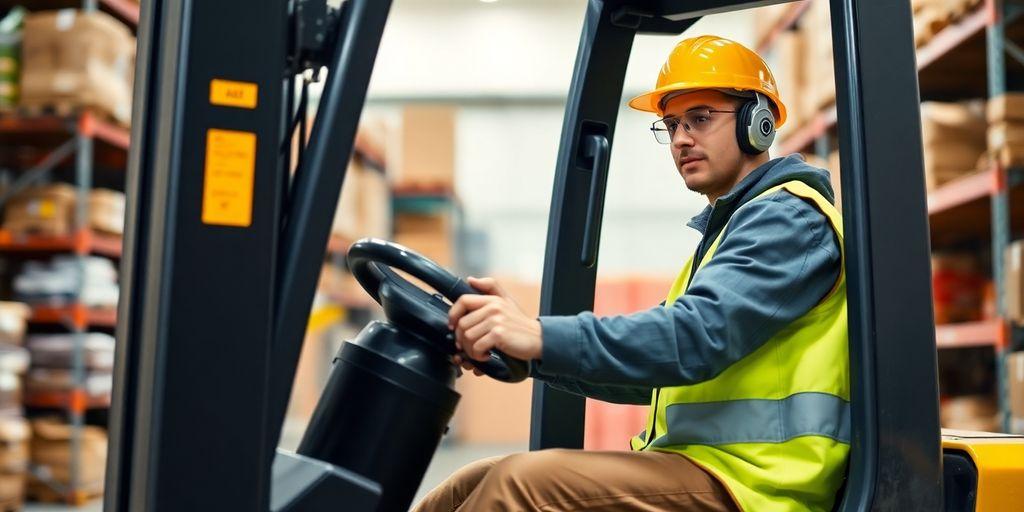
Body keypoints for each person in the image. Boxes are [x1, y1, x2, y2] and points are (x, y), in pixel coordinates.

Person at [413, 35, 849, 512]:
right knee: (472, 481)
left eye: (700, 119)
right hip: (706, 467)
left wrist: (540, 335)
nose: (681, 138)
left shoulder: (787, 219)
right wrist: (531, 357)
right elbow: (653, 375)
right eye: (672, 125)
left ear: (757, 124)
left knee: (519, 485)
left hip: (758, 485)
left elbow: (692, 338)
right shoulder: (729, 232)